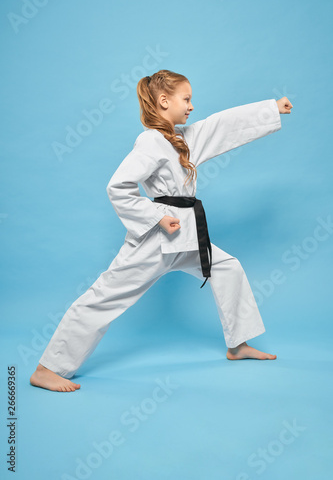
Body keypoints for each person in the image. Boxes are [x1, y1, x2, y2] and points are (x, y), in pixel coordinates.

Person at [30, 69, 293, 392]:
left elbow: (222, 126)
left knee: (228, 268)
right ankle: (48, 367)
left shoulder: (183, 138)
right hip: (158, 238)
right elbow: (119, 186)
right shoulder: (150, 140)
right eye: (187, 99)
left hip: (186, 234)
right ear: (164, 101)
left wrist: (270, 109)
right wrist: (156, 216)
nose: (192, 105)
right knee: (107, 295)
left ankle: (238, 345)